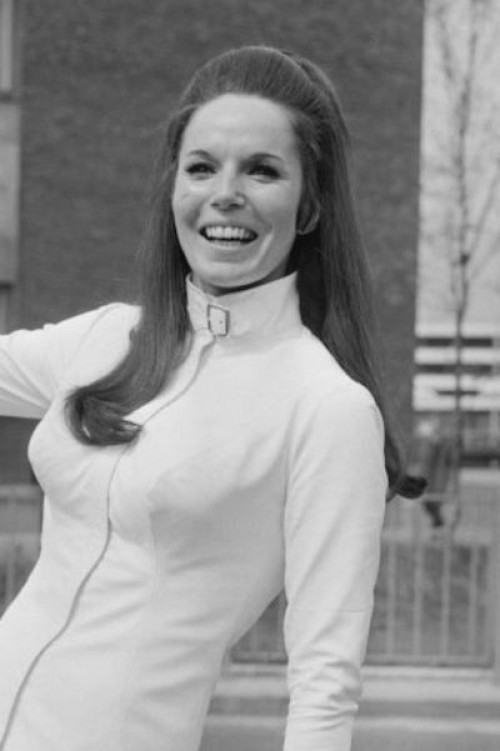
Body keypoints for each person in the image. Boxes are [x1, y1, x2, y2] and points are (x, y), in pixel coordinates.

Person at [0, 45, 424, 751]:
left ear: (310, 205)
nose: (225, 192)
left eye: (262, 170)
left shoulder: (326, 407)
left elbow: (325, 680)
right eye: (201, 167)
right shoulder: (106, 337)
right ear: (174, 190)